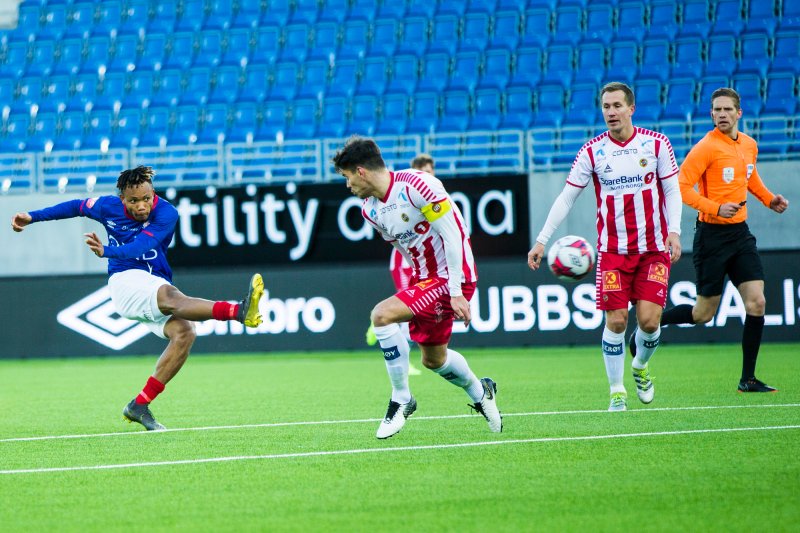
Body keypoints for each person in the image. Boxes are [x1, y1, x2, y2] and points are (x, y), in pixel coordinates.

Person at [11, 166, 265, 430]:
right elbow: (75, 206)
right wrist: (32, 216)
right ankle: (238, 311)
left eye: (147, 198)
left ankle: (139, 405)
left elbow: (143, 246)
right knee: (170, 297)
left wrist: (106, 250)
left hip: (153, 281)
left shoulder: (167, 212)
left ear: (153, 193)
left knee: (185, 332)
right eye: (133, 201)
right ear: (122, 198)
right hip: (125, 282)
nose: (142, 206)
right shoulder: (106, 206)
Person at [527, 82, 683, 412]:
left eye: (616, 106)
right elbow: (567, 197)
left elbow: (672, 191)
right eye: (606, 107)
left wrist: (674, 231)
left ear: (631, 108)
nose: (610, 112)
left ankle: (639, 367)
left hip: (654, 249)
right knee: (615, 322)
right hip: (612, 252)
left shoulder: (656, 145)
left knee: (650, 322)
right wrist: (542, 239)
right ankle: (616, 391)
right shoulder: (592, 151)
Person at [333, 136, 502, 438]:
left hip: (454, 275)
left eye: (347, 178)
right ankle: (482, 393)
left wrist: (454, 290)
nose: (347, 186)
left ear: (361, 172)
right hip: (424, 278)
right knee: (433, 360)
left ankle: (402, 399)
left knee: (381, 315)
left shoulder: (417, 186)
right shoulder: (370, 211)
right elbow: (404, 248)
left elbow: (452, 235)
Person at [644, 87, 789, 393]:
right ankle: (654, 321)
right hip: (711, 236)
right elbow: (681, 187)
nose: (721, 114)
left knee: (757, 301)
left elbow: (749, 177)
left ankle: (747, 379)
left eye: (727, 110)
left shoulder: (749, 144)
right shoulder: (706, 148)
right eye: (716, 110)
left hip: (740, 234)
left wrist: (768, 199)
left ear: (739, 113)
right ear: (711, 114)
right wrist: (715, 208)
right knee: (702, 314)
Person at [365, 154, 435, 381]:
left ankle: (380, 327)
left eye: (432, 170)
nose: (430, 174)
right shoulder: (405, 192)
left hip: (423, 262)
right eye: (426, 170)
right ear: (416, 170)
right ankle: (405, 361)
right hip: (405, 262)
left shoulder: (429, 192)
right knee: (408, 307)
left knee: (408, 307)